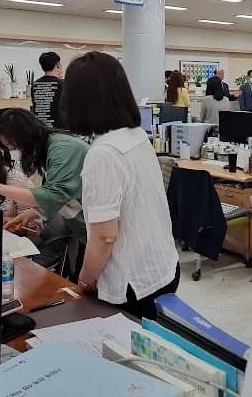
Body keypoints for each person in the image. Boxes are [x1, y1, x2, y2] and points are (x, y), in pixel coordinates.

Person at [61, 51, 179, 320]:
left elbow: (105, 237)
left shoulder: (104, 153)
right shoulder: (136, 136)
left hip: (132, 284)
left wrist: (85, 279)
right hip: (161, 267)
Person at [0, 108, 89, 266]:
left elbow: (55, 194)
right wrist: (32, 213)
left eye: (13, 147)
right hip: (85, 231)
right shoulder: (51, 150)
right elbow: (61, 194)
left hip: (99, 232)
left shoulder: (62, 149)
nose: (13, 153)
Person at [32, 52, 64, 129]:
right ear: (57, 64)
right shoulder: (63, 84)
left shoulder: (34, 85)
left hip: (41, 129)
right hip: (59, 131)